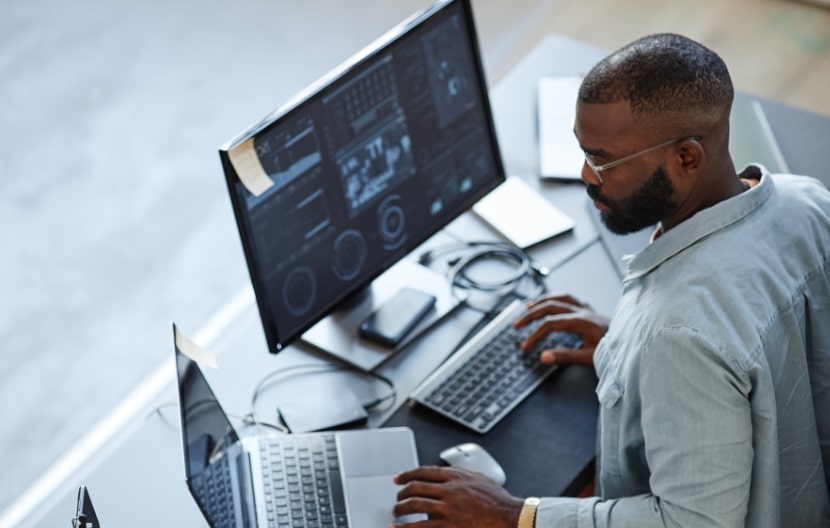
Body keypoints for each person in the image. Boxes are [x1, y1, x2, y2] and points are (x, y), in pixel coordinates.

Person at [391, 33, 830, 527]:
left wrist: (515, 515)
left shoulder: (679, 332)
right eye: (582, 151)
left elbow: (693, 523)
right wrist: (626, 350)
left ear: (686, 157)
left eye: (603, 160)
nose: (586, 175)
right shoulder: (807, 200)